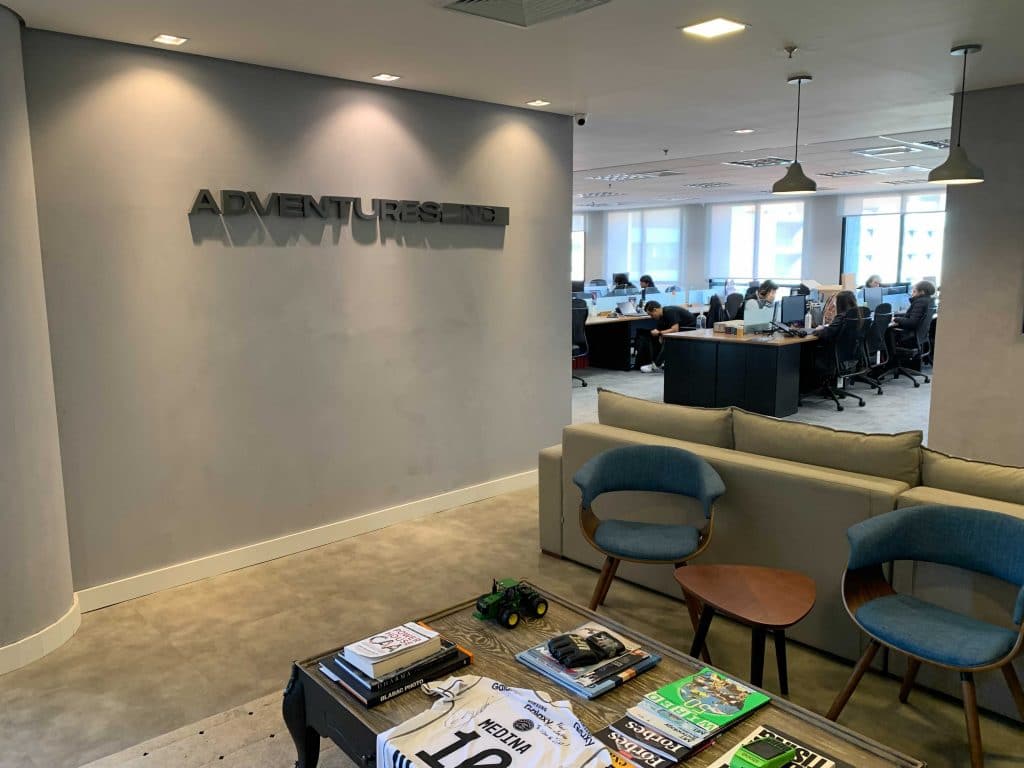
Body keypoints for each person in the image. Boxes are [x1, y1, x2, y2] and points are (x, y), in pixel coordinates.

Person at [635, 300, 695, 373]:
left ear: (655, 310)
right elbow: (661, 331)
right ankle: (657, 361)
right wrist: (660, 334)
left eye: (651, 315)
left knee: (668, 340)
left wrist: (660, 333)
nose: (651, 317)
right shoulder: (661, 316)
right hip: (682, 329)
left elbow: (675, 329)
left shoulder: (670, 312)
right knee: (653, 337)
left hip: (691, 329)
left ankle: (656, 365)